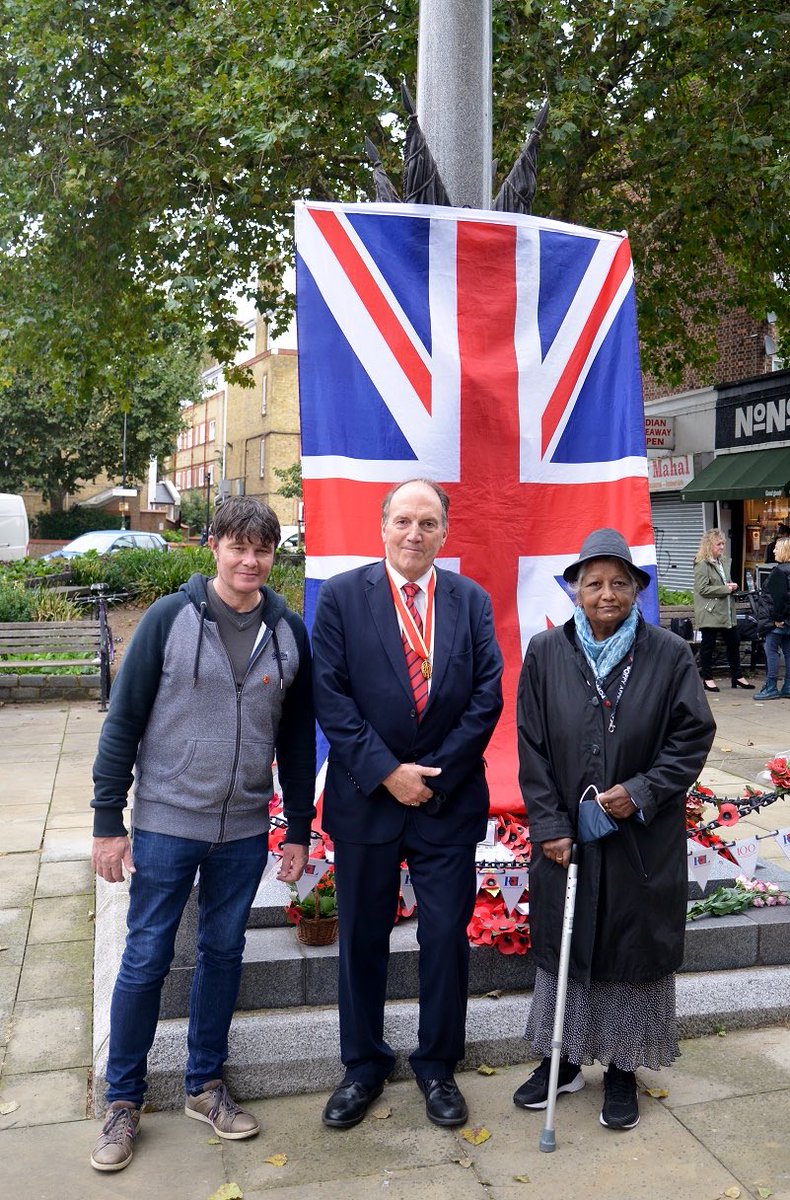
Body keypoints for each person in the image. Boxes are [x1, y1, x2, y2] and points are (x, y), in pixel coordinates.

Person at [89, 496, 316, 1172]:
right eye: (237, 546)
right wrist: (109, 822)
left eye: (263, 549)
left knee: (223, 952)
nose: (250, 561)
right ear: (214, 546)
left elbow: (298, 741)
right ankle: (123, 1100)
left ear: (274, 556)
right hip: (165, 822)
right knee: (147, 955)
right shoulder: (169, 620)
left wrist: (298, 827)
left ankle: (205, 1085)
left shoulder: (288, 632)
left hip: (244, 830)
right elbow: (121, 723)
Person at [311, 479, 503, 1131]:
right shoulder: (341, 598)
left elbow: (487, 696)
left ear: (444, 532)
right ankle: (362, 1065)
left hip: (445, 803)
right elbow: (330, 696)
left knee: (445, 935)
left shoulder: (471, 601)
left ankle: (438, 1065)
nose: (414, 534)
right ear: (382, 527)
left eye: (427, 523)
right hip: (368, 799)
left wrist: (432, 777)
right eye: (403, 522)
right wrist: (388, 772)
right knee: (361, 937)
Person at [514, 528, 715, 1131]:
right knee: (569, 945)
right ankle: (565, 1059)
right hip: (567, 838)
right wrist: (549, 822)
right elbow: (532, 744)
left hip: (640, 840)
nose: (607, 593)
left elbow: (692, 737)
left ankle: (624, 1068)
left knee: (629, 949)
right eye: (594, 582)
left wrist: (644, 791)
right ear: (575, 590)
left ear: (636, 589)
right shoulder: (547, 652)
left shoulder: (667, 653)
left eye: (619, 582)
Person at [693, 528, 754, 693]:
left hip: (726, 611)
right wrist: (726, 589)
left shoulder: (724, 561)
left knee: (734, 642)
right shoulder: (701, 563)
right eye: (719, 544)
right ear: (710, 545)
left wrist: (732, 585)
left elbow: (724, 583)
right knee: (708, 645)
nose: (722, 547)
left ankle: (738, 676)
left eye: (723, 544)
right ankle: (708, 679)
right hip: (710, 611)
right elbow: (702, 589)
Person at [754, 536, 790, 700]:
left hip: (777, 621)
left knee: (771, 652)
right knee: (789, 653)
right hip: (788, 621)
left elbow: (778, 598)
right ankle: (788, 686)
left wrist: (777, 618)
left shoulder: (779, 571)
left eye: (776, 548)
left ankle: (771, 687)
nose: (773, 550)